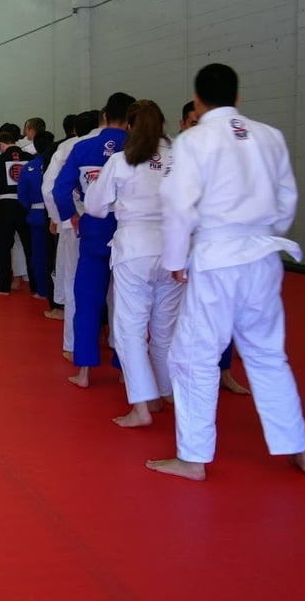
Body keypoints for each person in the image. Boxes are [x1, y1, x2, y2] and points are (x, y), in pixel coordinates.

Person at [149, 64, 305, 480]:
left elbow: (179, 205)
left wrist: (175, 260)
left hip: (218, 256)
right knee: (268, 355)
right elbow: (287, 200)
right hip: (263, 255)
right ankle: (298, 447)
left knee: (194, 356)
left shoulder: (193, 140)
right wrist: (260, 234)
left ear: (197, 102)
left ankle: (193, 457)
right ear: (237, 97)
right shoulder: (270, 136)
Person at [84, 101, 177, 428]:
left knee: (130, 330)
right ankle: (164, 393)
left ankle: (141, 406)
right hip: (174, 249)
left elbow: (95, 206)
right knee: (165, 330)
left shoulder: (121, 160)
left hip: (135, 249)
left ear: (128, 127)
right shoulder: (178, 158)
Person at [55, 93, 135, 388]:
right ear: (131, 119)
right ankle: (126, 370)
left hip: (93, 228)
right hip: (128, 230)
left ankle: (85, 371)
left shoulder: (82, 147)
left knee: (88, 300)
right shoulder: (138, 147)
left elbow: (60, 189)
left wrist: (71, 215)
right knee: (129, 303)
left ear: (104, 116)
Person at [180, 101, 250, 396]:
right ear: (183, 125)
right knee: (181, 316)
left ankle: (223, 371)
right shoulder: (175, 155)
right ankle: (182, 375)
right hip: (183, 245)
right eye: (193, 122)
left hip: (220, 245)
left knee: (224, 312)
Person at [43, 111, 97, 341]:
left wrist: (57, 217)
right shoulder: (118, 145)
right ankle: (113, 338)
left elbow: (50, 187)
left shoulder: (67, 148)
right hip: (110, 220)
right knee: (112, 284)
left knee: (73, 278)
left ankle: (73, 341)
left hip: (72, 219)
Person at [0, 130, 34, 295]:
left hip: (5, 206)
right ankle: (36, 287)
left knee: (2, 247)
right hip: (27, 206)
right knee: (30, 247)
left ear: (2, 145)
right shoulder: (29, 158)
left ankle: (4, 287)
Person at [17, 131, 54, 300]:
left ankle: (42, 290)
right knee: (58, 256)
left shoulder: (29, 167)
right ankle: (58, 293)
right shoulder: (57, 164)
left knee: (39, 255)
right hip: (58, 215)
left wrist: (31, 208)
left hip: (37, 214)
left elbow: (22, 196)